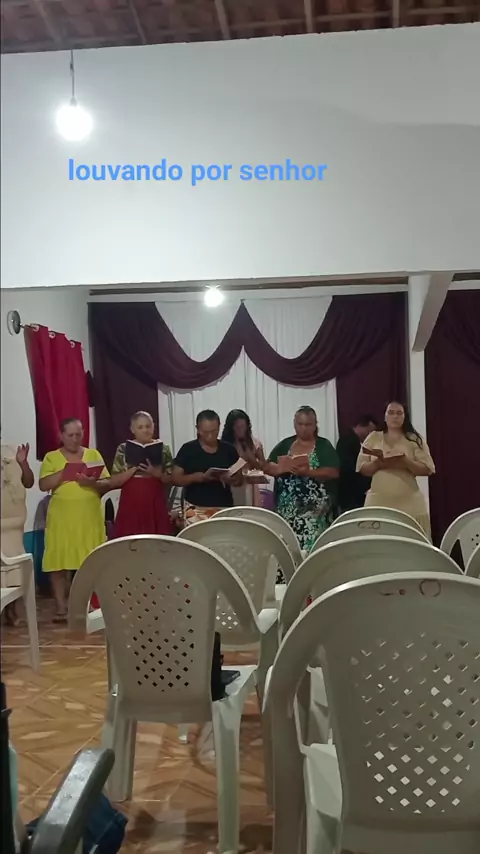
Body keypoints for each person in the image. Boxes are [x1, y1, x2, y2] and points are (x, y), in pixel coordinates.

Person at [39, 417, 135, 622]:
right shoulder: (51, 457)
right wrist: (64, 473)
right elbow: (43, 484)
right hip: (62, 519)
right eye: (70, 435)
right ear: (61, 436)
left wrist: (93, 483)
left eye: (78, 434)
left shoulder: (93, 455)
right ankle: (61, 607)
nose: (75, 439)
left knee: (91, 561)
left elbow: (107, 483)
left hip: (89, 517)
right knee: (58, 562)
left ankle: (91, 603)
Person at [265, 406, 340, 552]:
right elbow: (268, 466)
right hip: (286, 513)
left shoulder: (323, 445)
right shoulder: (285, 445)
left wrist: (309, 472)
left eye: (308, 424)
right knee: (288, 551)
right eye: (300, 424)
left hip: (315, 516)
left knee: (313, 552)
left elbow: (333, 471)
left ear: (315, 425)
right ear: (294, 424)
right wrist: (280, 469)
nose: (304, 428)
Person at [356, 401, 435, 537]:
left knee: (411, 543)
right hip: (378, 501)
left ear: (405, 416)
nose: (395, 417)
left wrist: (405, 461)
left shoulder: (414, 439)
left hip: (409, 501)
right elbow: (362, 468)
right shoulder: (374, 437)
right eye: (391, 413)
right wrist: (378, 463)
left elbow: (427, 469)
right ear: (385, 416)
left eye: (399, 413)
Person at [172, 409, 241, 525]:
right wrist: (196, 477)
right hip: (195, 508)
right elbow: (175, 479)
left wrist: (233, 479)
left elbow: (239, 479)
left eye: (214, 431)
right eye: (205, 432)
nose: (210, 436)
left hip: (223, 506)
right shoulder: (188, 449)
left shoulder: (229, 450)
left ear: (219, 427)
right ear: (198, 429)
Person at [111, 411, 173, 537]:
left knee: (157, 538)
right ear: (132, 429)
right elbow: (114, 481)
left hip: (155, 500)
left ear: (153, 426)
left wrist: (156, 473)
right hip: (131, 501)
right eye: (140, 427)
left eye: (148, 426)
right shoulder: (123, 449)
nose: (145, 430)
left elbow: (171, 479)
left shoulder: (163, 449)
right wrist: (134, 468)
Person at [1, 442, 35, 626]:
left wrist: (23, 463)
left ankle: (11, 610)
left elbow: (28, 482)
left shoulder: (10, 453)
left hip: (14, 522)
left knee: (14, 566)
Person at [221, 409, 265, 506]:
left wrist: (251, 458)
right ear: (231, 428)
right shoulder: (224, 445)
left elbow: (263, 466)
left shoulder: (255, 443)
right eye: (237, 427)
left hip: (250, 487)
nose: (240, 430)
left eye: (243, 427)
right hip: (232, 487)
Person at [336, 415, 377, 512]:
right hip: (350, 494)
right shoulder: (348, 441)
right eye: (369, 431)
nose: (370, 435)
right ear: (359, 426)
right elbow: (349, 468)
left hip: (351, 494)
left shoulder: (351, 440)